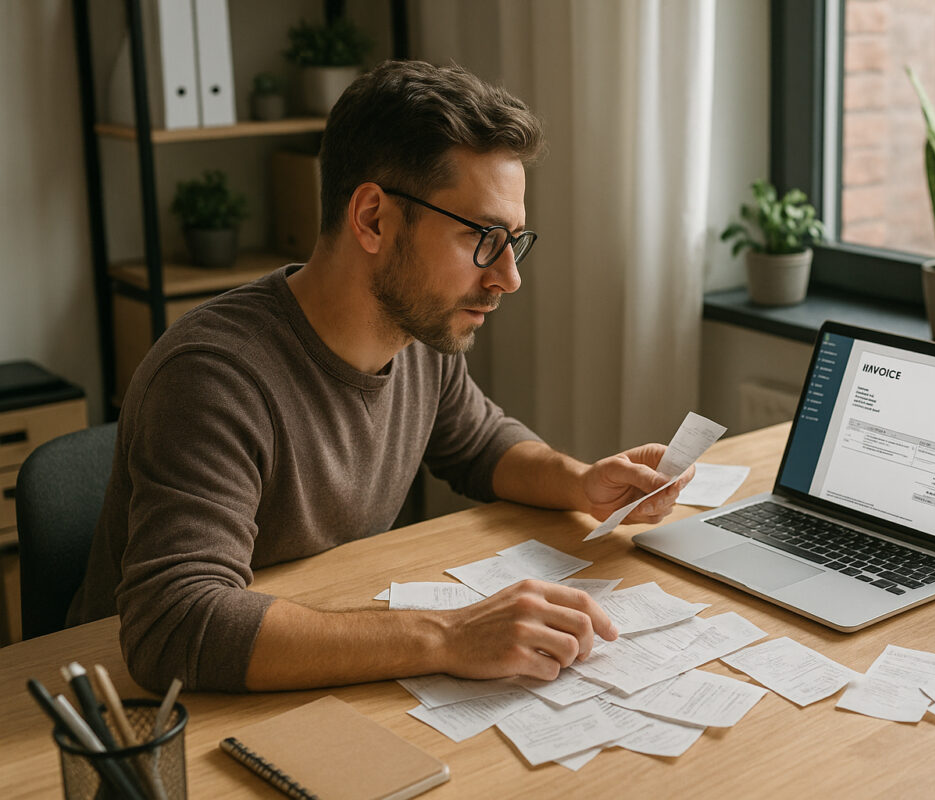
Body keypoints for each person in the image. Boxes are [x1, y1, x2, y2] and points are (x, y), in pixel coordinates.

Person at [67, 60, 692, 693]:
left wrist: (581, 484)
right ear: (372, 218)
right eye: (482, 237)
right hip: (132, 714)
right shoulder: (213, 378)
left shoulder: (419, 335)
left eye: (516, 242)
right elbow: (174, 625)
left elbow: (480, 444)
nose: (508, 276)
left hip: (311, 670)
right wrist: (448, 636)